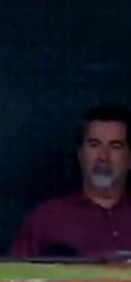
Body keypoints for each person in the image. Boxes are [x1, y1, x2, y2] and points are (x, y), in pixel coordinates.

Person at [10, 103, 131, 259]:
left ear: (129, 158)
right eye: (94, 144)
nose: (103, 157)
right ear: (80, 154)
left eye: (115, 146)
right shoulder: (46, 219)